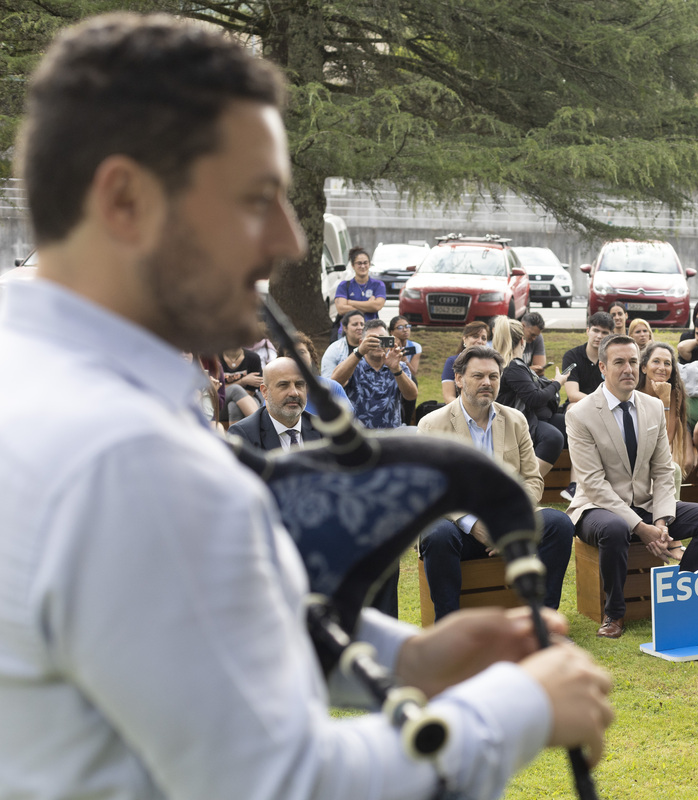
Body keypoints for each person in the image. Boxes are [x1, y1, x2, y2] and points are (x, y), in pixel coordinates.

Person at [0, 14, 610, 799]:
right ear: (125, 200)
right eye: (257, 199)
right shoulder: (129, 458)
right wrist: (521, 708)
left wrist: (407, 659)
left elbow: (189, 643)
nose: (288, 239)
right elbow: (285, 784)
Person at [566, 334, 698, 638]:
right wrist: (641, 528)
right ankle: (614, 613)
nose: (628, 369)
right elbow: (594, 484)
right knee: (616, 528)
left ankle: (681, 594)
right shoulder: (580, 413)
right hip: (596, 508)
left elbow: (664, 470)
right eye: (619, 362)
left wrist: (661, 522)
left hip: (646, 503)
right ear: (602, 367)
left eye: (632, 361)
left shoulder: (653, 406)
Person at [417, 346, 573, 621]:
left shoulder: (515, 419)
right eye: (478, 376)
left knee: (558, 524)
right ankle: (449, 625)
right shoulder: (432, 425)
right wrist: (473, 524)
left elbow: (532, 479)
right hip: (459, 525)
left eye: (493, 376)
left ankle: (543, 621)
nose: (487, 383)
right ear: (459, 379)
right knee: (436, 534)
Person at [496, 318, 569, 475]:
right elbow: (535, 398)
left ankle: (576, 483)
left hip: (531, 416)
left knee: (574, 424)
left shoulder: (512, 365)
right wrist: (558, 383)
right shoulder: (513, 366)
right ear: (522, 341)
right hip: (516, 421)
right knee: (553, 438)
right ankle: (526, 484)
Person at [331, 309, 419, 429]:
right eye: (372, 340)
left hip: (391, 435)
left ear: (390, 341)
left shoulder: (398, 365)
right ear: (361, 342)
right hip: (357, 435)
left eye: (382, 339)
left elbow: (411, 396)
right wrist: (359, 352)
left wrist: (396, 370)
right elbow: (334, 382)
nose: (378, 344)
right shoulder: (353, 364)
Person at [636, 341, 696, 492]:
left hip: (658, 446)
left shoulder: (674, 392)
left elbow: (667, 437)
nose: (662, 367)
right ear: (644, 367)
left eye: (667, 363)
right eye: (656, 361)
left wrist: (665, 400)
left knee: (675, 468)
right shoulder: (634, 391)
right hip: (635, 447)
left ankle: (670, 506)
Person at [227, 357, 322, 451]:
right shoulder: (243, 435)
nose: (294, 393)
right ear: (265, 392)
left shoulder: (323, 429)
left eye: (299, 385)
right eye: (283, 385)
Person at [290, 330, 353, 414]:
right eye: (290, 354)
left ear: (311, 357)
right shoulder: (276, 392)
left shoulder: (333, 388)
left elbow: (349, 419)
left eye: (301, 352)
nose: (297, 357)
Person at [562, 312, 614, 405]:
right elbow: (572, 395)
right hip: (580, 404)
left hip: (609, 405)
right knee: (572, 407)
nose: (599, 336)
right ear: (588, 331)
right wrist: (599, 402)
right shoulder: (571, 356)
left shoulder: (614, 358)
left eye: (604, 332)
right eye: (595, 331)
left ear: (611, 335)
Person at [440, 320, 491, 403]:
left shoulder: (490, 363)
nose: (480, 341)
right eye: (475, 336)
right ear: (464, 339)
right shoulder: (452, 362)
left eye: (483, 338)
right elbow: (448, 397)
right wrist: (468, 409)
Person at [335, 246, 386, 325]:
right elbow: (341, 309)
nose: (362, 266)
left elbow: (377, 306)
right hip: (349, 329)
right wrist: (369, 305)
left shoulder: (378, 285)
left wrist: (350, 302)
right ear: (353, 265)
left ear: (369, 264)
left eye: (365, 263)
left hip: (371, 327)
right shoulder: (344, 285)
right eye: (359, 263)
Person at [218, 343, 263, 422]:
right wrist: (243, 381)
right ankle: (261, 424)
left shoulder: (253, 358)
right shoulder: (215, 358)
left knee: (233, 406)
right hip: (221, 402)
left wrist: (237, 398)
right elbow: (217, 389)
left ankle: (235, 431)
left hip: (250, 398)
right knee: (235, 389)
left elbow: (251, 391)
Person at [320, 308, 366, 378]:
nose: (360, 327)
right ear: (345, 328)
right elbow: (328, 379)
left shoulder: (371, 347)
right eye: (355, 324)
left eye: (362, 324)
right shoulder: (335, 349)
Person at [521, 311, 548, 375]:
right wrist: (528, 370)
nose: (534, 338)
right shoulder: (510, 338)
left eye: (536, 336)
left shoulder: (537, 337)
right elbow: (506, 371)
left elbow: (540, 371)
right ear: (523, 326)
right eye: (532, 334)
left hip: (529, 377)